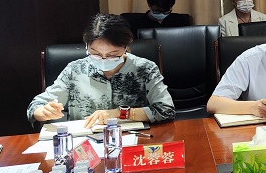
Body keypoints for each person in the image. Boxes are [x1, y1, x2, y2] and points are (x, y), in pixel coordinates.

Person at [28, 13, 175, 127]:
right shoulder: (74, 70)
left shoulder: (145, 68)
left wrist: (119, 113)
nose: (104, 59)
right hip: (84, 144)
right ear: (87, 46)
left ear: (126, 47)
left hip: (134, 140)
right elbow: (35, 106)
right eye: (96, 54)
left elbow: (166, 111)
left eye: (112, 55)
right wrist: (43, 112)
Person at [121, 0, 194, 34]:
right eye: (157, 11)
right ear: (149, 4)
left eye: (165, 11)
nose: (161, 14)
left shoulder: (181, 22)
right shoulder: (137, 24)